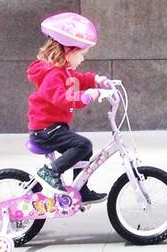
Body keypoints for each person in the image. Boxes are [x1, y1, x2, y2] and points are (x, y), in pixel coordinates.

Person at [26, 12, 116, 203]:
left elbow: (78, 79)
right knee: (83, 145)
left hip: (54, 128)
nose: (83, 59)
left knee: (85, 150)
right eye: (81, 54)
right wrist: (86, 96)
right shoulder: (52, 75)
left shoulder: (63, 71)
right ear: (68, 52)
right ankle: (50, 172)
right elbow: (63, 98)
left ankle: (80, 190)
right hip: (45, 131)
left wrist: (96, 80)